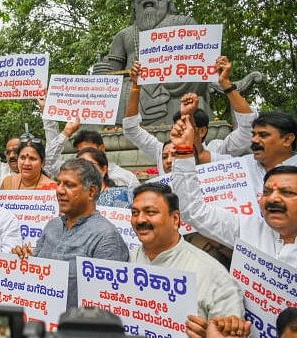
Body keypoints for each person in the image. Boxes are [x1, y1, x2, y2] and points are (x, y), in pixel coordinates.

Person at [170, 114, 297, 267]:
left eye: (287, 192)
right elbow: (193, 210)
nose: (273, 199)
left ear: (288, 139)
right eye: (267, 192)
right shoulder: (246, 229)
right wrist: (183, 149)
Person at [129, 183, 244, 336]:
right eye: (135, 213)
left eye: (150, 212)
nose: (140, 220)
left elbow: (229, 333)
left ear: (175, 219)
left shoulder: (215, 276)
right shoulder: (123, 262)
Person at [12, 158, 129, 308]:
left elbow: (106, 302)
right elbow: (35, 278)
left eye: (69, 185)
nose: (59, 190)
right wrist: (25, 260)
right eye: (59, 183)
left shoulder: (106, 237)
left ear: (91, 192)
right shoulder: (52, 226)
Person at [123, 57, 256, 174]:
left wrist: (225, 83)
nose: (179, 133)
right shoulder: (164, 150)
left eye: (187, 126)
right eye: (178, 128)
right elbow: (131, 129)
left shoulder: (217, 150)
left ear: (202, 131)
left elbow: (249, 128)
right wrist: (136, 86)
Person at [43, 118, 140, 187]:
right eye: (80, 153)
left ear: (102, 149)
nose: (85, 157)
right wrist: (66, 133)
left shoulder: (126, 178)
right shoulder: (72, 174)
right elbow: (48, 163)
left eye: (89, 150)